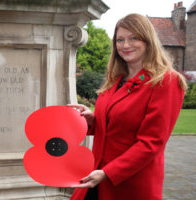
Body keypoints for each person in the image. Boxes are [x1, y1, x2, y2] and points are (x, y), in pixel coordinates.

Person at [68, 13, 187, 200]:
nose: (125, 45)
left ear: (147, 41)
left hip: (129, 184)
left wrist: (108, 172)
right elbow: (116, 125)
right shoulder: (115, 80)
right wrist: (93, 120)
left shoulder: (166, 81)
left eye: (134, 38)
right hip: (96, 176)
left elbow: (151, 143)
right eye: (120, 40)